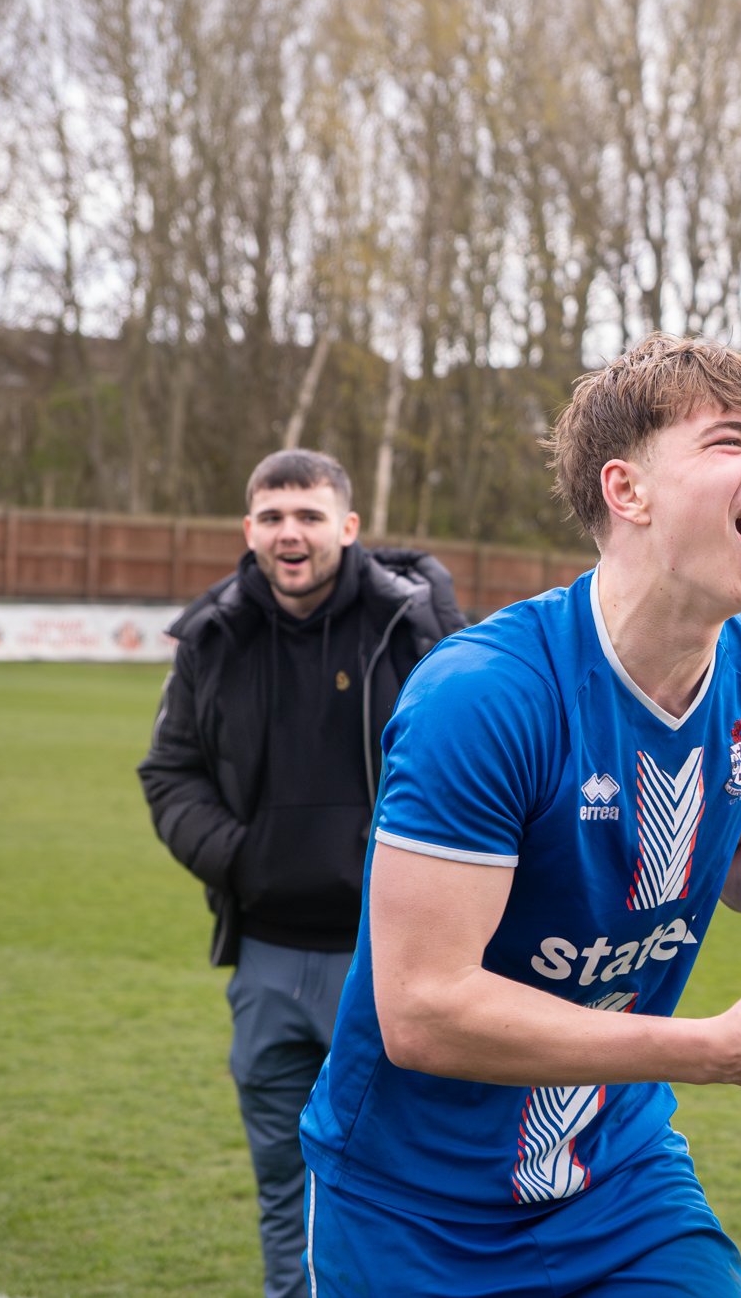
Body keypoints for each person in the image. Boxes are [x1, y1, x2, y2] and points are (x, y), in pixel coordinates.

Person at [298, 334, 741, 1296]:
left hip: (616, 1178)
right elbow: (423, 1011)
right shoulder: (486, 696)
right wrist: (705, 1051)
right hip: (414, 1208)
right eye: (730, 439)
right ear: (629, 491)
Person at [139, 448, 464, 1298]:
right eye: (273, 516)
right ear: (248, 529)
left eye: (310, 515)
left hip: (394, 961)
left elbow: (473, 773)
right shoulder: (211, 636)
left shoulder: (415, 627)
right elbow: (168, 774)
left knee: (412, 1184)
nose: (291, 533)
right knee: (285, 1186)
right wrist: (248, 860)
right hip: (267, 963)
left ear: (348, 528)